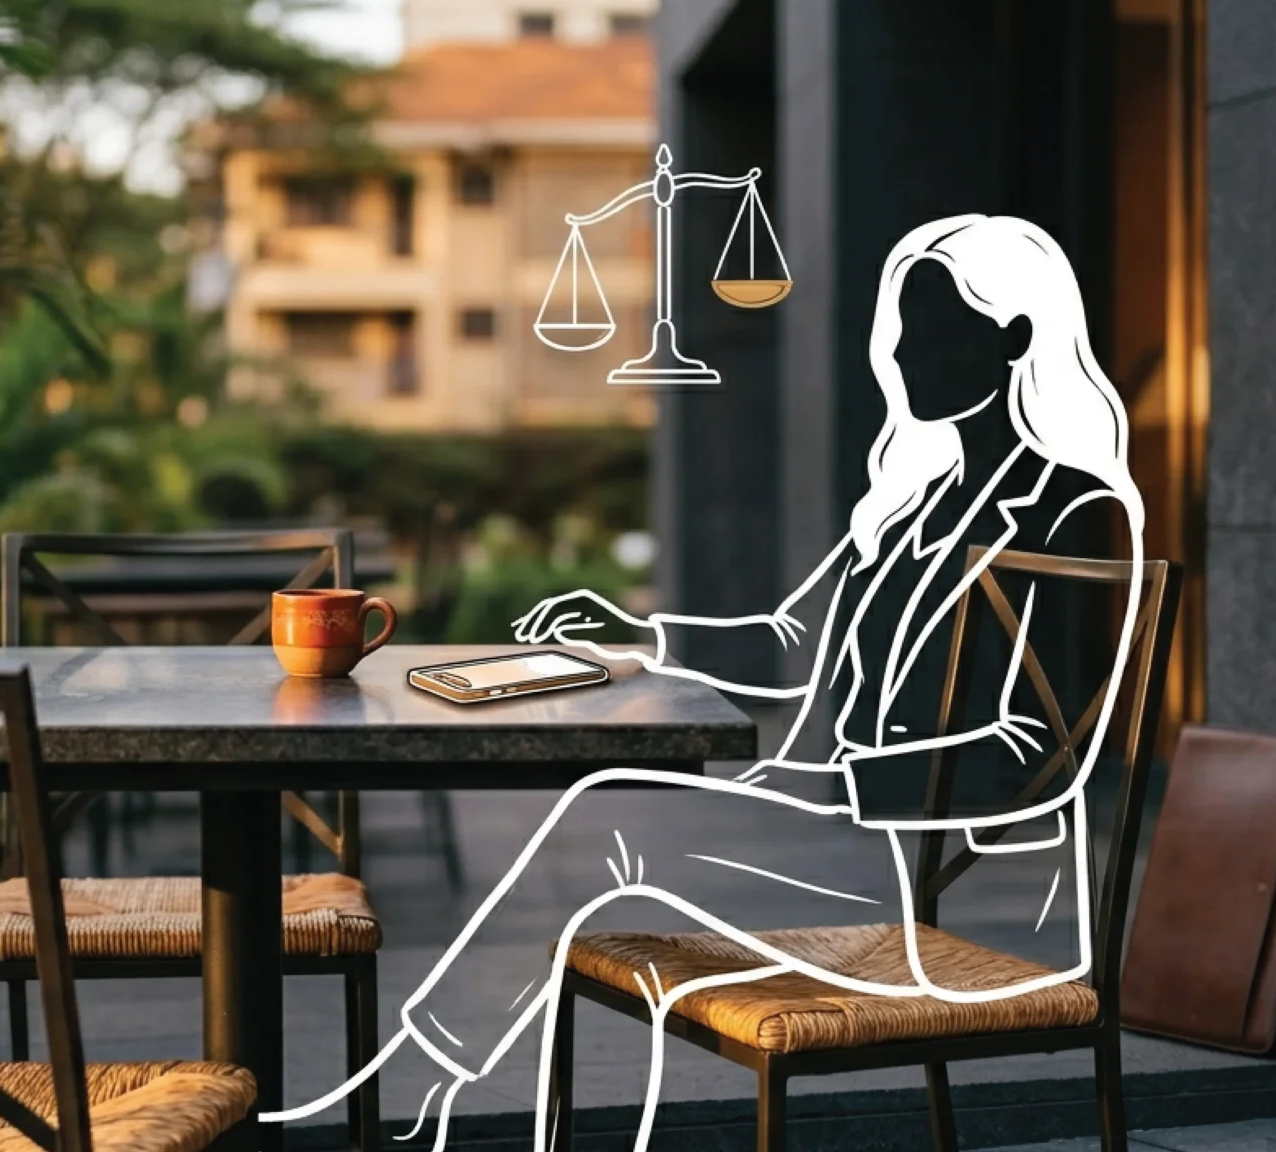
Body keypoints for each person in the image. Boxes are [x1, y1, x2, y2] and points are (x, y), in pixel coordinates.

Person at [267, 213, 1147, 1152]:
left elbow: (1042, 750)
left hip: (965, 881)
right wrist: (637, 633)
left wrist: (846, 784)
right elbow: (790, 633)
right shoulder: (913, 506)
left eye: (933, 325)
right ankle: (432, 1105)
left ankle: (417, 1108)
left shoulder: (1072, 506)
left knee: (612, 825)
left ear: (1014, 336)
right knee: (620, 895)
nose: (902, 350)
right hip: (862, 836)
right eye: (899, 325)